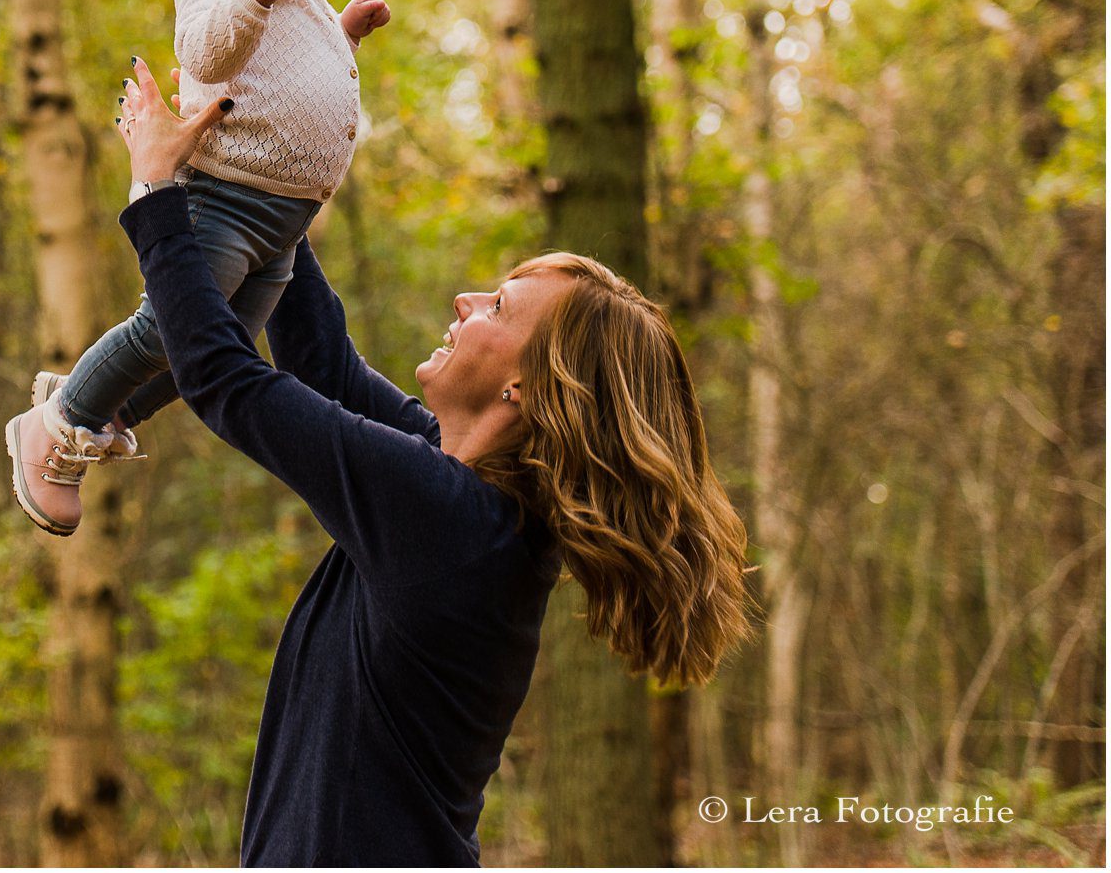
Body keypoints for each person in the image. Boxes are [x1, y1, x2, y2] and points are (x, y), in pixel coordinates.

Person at [98, 57, 754, 867]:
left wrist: (158, 191)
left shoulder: (450, 521)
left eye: (499, 308)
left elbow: (225, 379)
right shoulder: (474, 503)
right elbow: (323, 364)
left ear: (526, 388)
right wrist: (263, 173)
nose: (464, 302)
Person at [5, 0, 391, 538]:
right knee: (167, 326)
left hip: (282, 218)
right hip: (230, 200)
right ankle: (59, 427)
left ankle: (100, 406)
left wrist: (342, 34)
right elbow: (205, 49)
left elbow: (285, 76)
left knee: (217, 347)